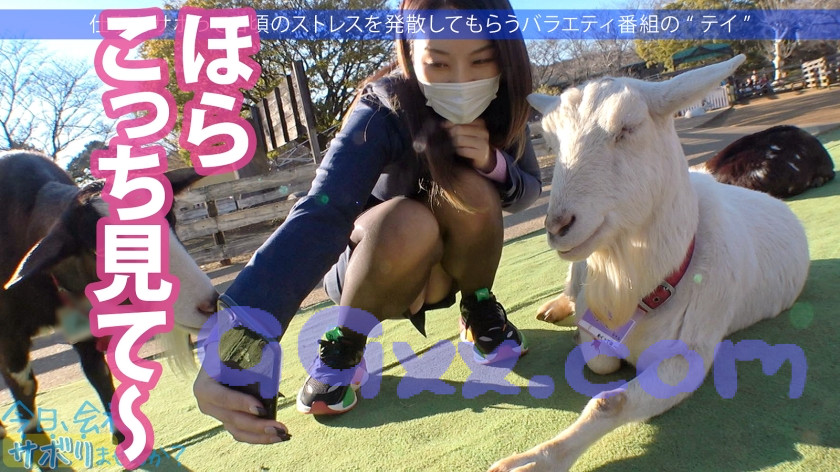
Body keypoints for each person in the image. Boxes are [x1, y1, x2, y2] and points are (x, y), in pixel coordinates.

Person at [193, 0, 541, 444]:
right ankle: (345, 343)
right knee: (409, 219)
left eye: (481, 61)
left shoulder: (505, 106)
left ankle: (478, 309)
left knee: (472, 188)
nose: (460, 81)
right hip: (373, 266)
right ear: (409, 54)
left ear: (506, 55)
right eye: (438, 62)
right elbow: (325, 207)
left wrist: (493, 163)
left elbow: (527, 190)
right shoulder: (384, 107)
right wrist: (237, 339)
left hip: (451, 268)